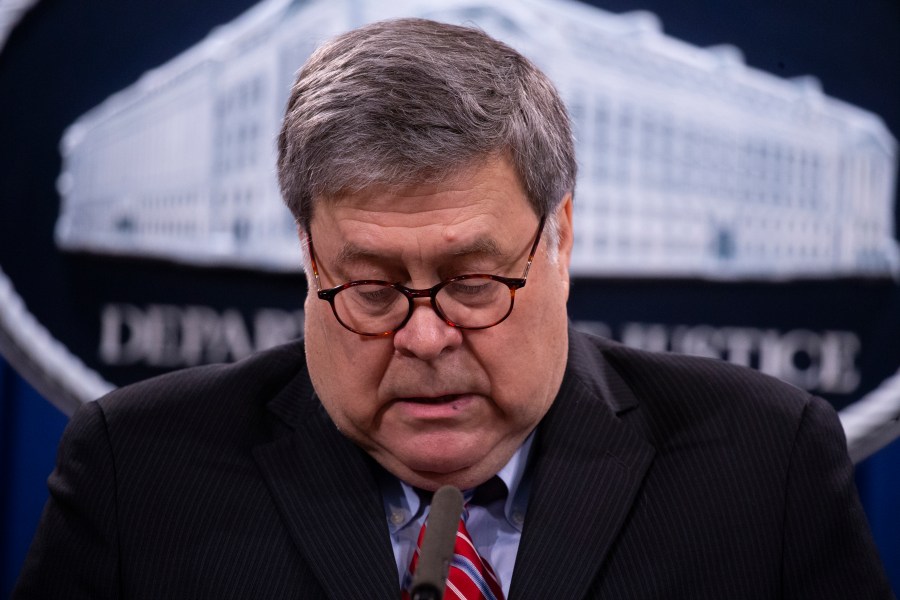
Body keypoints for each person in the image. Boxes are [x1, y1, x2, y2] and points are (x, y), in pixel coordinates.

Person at [15, 17, 893, 600]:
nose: (426, 337)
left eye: (474, 283)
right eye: (371, 290)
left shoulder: (763, 466)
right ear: (309, 259)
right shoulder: (139, 474)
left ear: (561, 240)